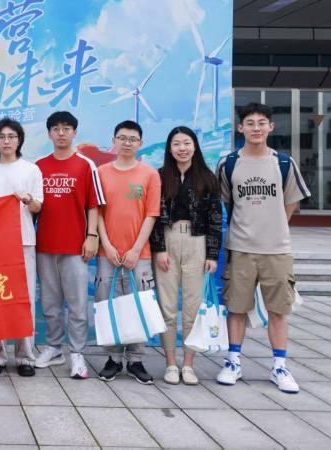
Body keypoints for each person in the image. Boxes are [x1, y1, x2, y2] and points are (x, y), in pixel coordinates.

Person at [216, 102, 310, 394]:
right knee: (236, 307)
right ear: (240, 128)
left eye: (261, 123)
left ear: (271, 127)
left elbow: (291, 202)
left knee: (278, 309)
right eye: (250, 123)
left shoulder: (283, 163)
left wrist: (274, 227)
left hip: (277, 249)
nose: (256, 128)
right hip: (240, 248)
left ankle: (279, 366)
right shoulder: (229, 163)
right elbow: (226, 202)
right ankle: (233, 361)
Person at [34, 111, 105, 379]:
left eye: (66, 128)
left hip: (76, 247)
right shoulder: (38, 166)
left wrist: (92, 236)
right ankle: (54, 348)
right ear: (49, 133)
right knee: (50, 303)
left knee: (77, 304)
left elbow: (94, 205)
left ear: (74, 132)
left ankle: (77, 353)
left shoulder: (86, 165)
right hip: (45, 246)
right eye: (56, 128)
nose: (61, 133)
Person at [150, 126, 222, 386]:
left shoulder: (207, 177)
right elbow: (154, 216)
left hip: (197, 243)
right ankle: (170, 363)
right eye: (177, 144)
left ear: (194, 146)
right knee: (167, 307)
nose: (182, 148)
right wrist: (159, 249)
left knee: (193, 307)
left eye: (187, 143)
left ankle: (189, 364)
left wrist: (212, 254)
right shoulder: (159, 177)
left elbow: (215, 218)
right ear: (169, 149)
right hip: (167, 242)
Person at [96, 120, 161, 385]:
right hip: (107, 254)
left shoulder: (149, 174)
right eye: (122, 138)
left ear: (140, 143)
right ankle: (112, 359)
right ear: (114, 140)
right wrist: (107, 245)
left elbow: (151, 214)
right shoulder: (101, 173)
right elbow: (97, 213)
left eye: (132, 139)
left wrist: (135, 249)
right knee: (108, 304)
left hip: (139, 254)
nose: (127, 143)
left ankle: (136, 360)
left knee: (138, 305)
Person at [0, 118, 43, 377]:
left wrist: (28, 200)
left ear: (19, 140)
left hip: (23, 241)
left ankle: (25, 356)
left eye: (11, 136)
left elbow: (38, 206)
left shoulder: (31, 170)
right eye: (1, 136)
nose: (6, 141)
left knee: (24, 299)